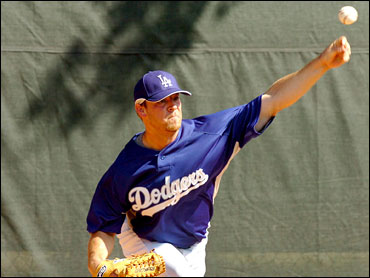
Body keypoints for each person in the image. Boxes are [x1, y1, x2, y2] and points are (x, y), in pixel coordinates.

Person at [86, 36, 351, 277]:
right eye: (161, 101)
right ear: (141, 110)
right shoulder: (125, 169)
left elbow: (273, 100)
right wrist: (100, 266)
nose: (172, 105)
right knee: (170, 265)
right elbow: (102, 228)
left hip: (195, 241)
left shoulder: (210, 136)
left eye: (176, 97)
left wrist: (322, 63)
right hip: (144, 240)